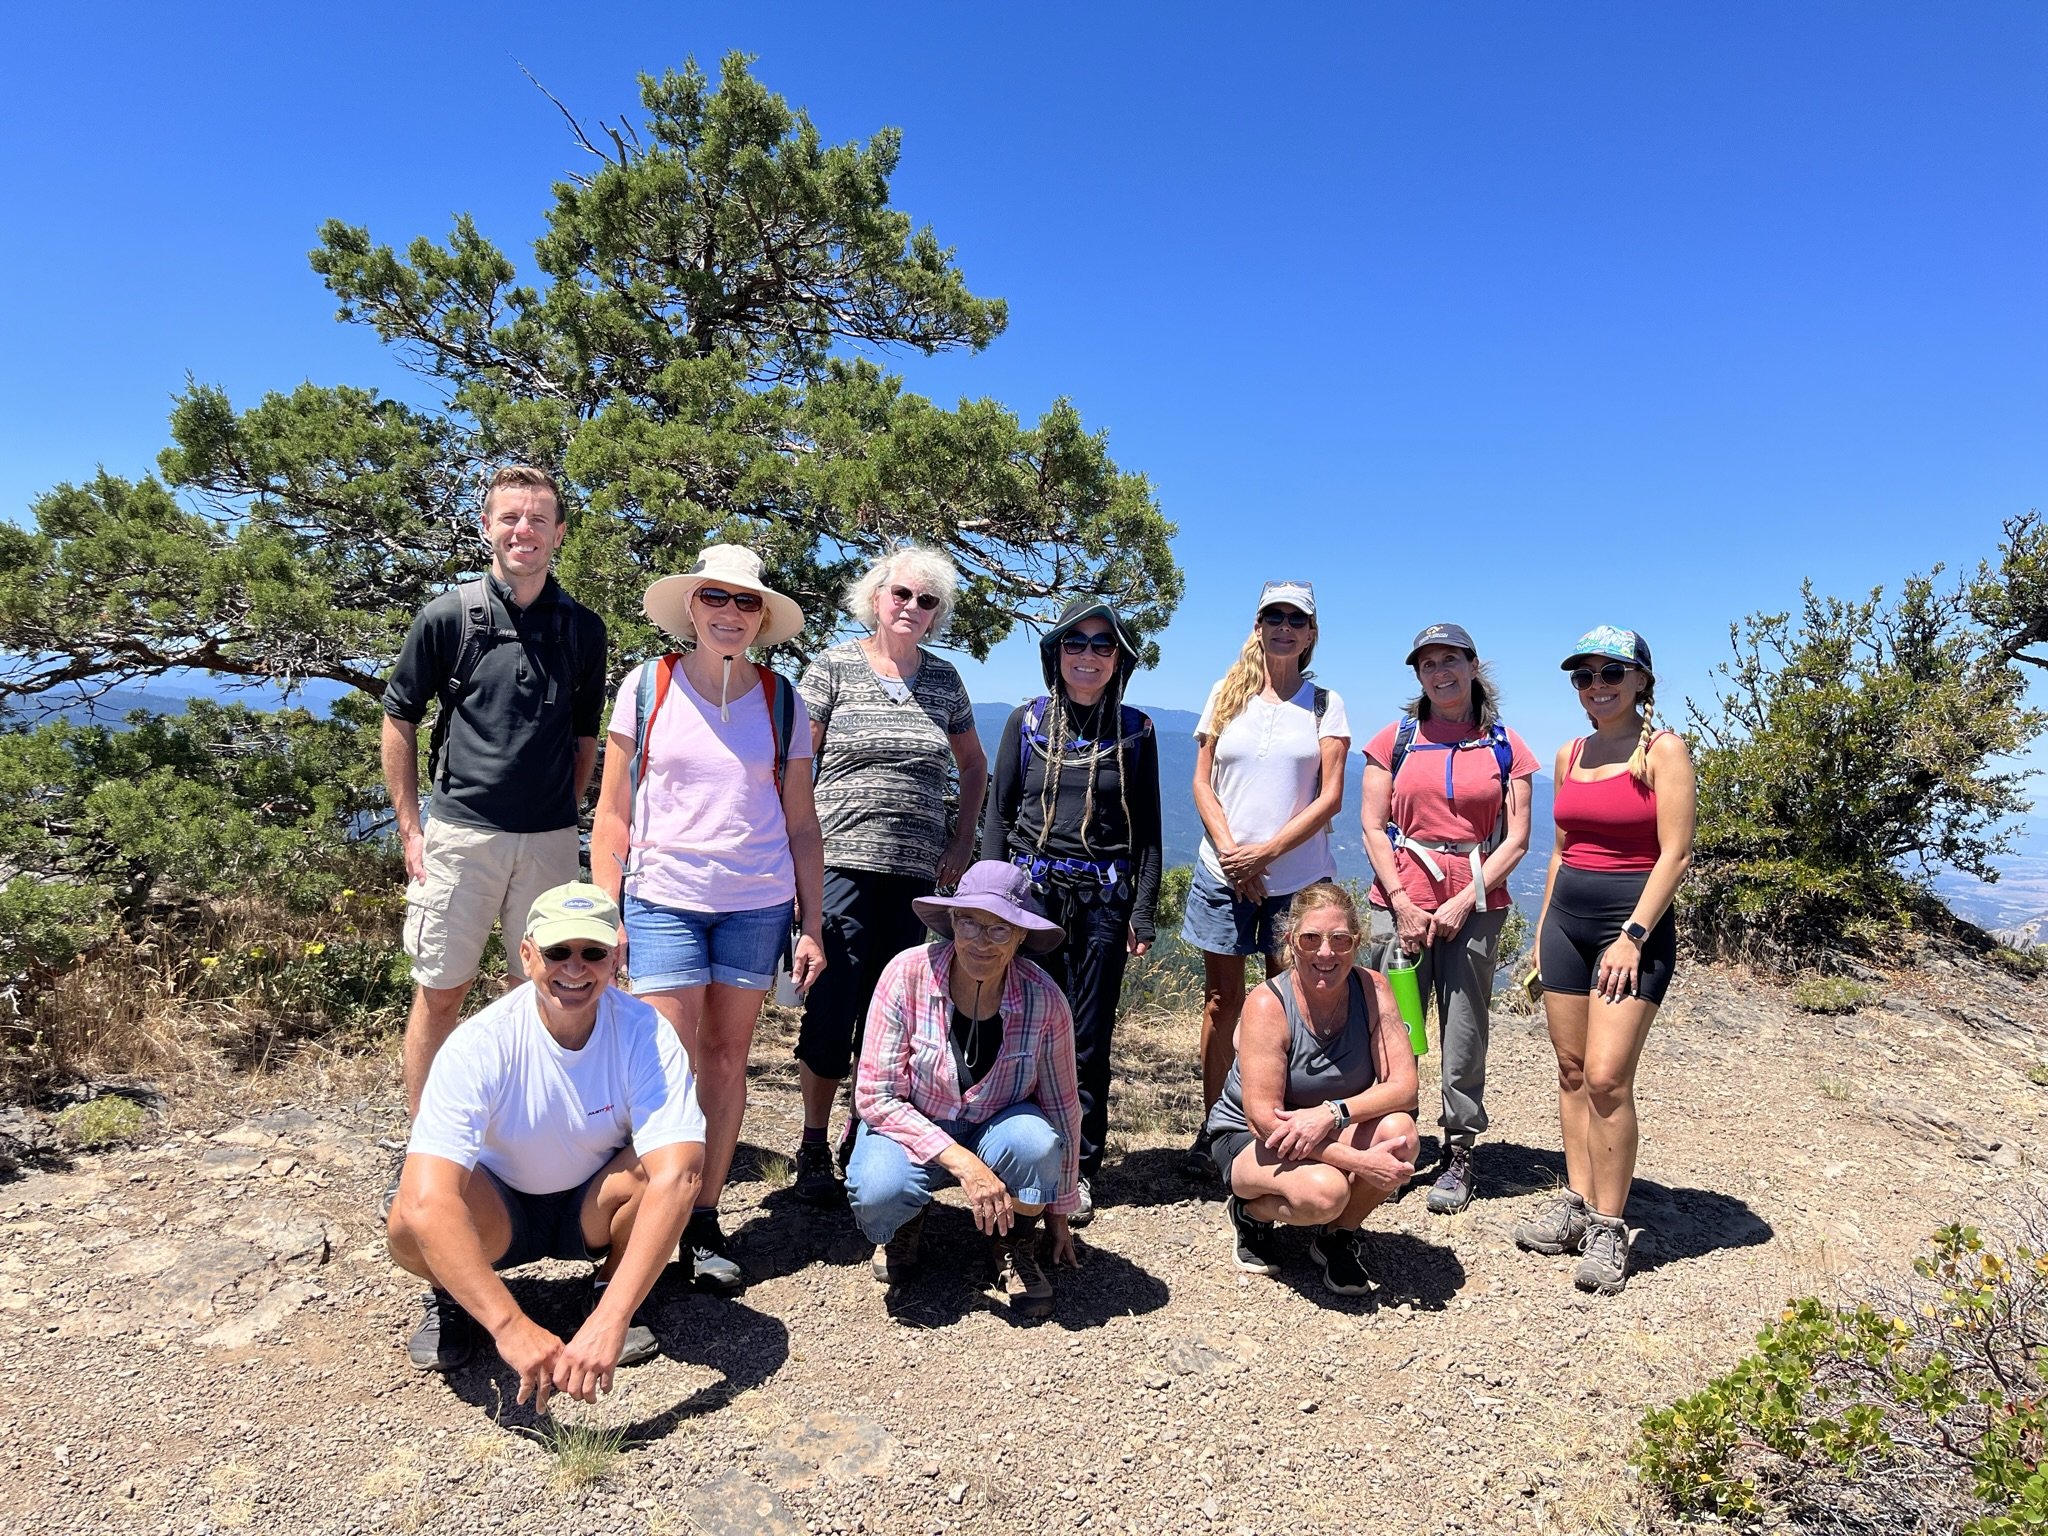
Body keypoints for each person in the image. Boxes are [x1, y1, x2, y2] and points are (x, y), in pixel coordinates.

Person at [589, 544, 827, 1295]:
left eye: (746, 602)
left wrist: (809, 922)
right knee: (666, 1065)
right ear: (691, 607)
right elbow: (611, 812)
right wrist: (608, 908)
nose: (730, 613)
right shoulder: (645, 685)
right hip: (662, 899)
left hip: (755, 904)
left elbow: (801, 826)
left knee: (725, 1062)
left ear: (762, 618)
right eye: (716, 598)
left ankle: (703, 1218)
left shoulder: (782, 700)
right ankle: (647, 1218)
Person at [386, 883, 705, 1408]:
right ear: (528, 954)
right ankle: (454, 1294)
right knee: (408, 1218)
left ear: (614, 959)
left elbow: (682, 1176)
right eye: (558, 952)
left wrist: (612, 1320)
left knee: (665, 1165)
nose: (574, 969)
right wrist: (511, 1327)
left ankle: (610, 1290)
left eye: (592, 953)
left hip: (589, 1206)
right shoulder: (480, 1044)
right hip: (499, 1213)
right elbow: (427, 1199)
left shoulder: (647, 1032)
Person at [381, 465, 608, 1116]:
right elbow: (398, 717)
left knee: (533, 991)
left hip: (548, 842)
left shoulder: (582, 631)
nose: (523, 530)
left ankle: (514, 1141)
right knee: (441, 991)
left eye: (538, 519)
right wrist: (410, 827)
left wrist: (562, 813)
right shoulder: (449, 617)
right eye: (509, 517)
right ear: (487, 528)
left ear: (559, 533)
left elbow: (584, 736)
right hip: (460, 835)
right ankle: (429, 1145)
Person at [792, 548, 986, 1205]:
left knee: (892, 1016)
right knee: (830, 1007)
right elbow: (796, 760)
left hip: (918, 880)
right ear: (876, 597)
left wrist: (962, 842)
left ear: (937, 615)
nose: (912, 607)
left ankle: (864, 1133)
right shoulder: (835, 666)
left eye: (927, 601)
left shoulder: (945, 681)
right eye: (901, 593)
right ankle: (813, 1143)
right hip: (840, 866)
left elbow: (974, 766)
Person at [1516, 627, 1695, 1295]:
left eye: (1611, 673)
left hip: (1631, 931)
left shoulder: (1662, 751)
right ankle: (1576, 1203)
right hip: (1567, 923)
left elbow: (1675, 854)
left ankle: (1609, 1229)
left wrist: (1634, 935)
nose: (1597, 686)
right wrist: (1542, 931)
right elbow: (1561, 850)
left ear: (1642, 679)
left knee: (1607, 1079)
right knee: (1569, 1071)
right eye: (1584, 676)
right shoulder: (1571, 753)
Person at [981, 598, 1162, 1225]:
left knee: (1088, 1038)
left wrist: (1144, 911)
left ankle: (1079, 1167)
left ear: (1119, 660)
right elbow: (998, 815)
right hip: (1032, 901)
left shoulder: (1136, 732)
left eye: (1102, 645)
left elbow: (1149, 832)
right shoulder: (1025, 724)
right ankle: (1018, 1155)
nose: (1088, 656)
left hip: (1104, 904)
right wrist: (989, 898)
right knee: (1022, 1026)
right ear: (1055, 654)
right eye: (1075, 643)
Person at [846, 862, 1083, 1320]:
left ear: (1020, 938)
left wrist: (1059, 1209)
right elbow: (875, 1096)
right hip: (914, 1123)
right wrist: (963, 1162)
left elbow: (1062, 1107)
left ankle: (1011, 1242)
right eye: (970, 921)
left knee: (1038, 1143)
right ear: (952, 921)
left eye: (1000, 930)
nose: (981, 940)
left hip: (1000, 1126)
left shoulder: (1045, 999)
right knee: (879, 1189)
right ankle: (903, 1225)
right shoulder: (906, 974)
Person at [1359, 623, 1537, 1214]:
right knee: (1396, 1028)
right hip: (1399, 898)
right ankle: (1398, 1142)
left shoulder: (1507, 745)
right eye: (1428, 663)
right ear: (1417, 674)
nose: (1440, 671)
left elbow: (1516, 840)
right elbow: (1372, 827)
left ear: (1472, 665)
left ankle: (1460, 1151)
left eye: (1450, 660)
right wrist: (1403, 903)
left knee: (1463, 1032)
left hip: (1477, 901)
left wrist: (1467, 898)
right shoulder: (1395, 740)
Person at [1182, 580, 1350, 1173]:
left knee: (1297, 1005)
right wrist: (1234, 855)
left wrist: (1264, 857)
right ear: (1258, 627)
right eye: (1272, 617)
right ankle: (1215, 1132)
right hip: (1223, 873)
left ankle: (1289, 1128)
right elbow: (1202, 782)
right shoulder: (1226, 695)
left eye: (1295, 619)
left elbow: (1329, 799)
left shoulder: (1326, 705)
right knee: (1219, 1002)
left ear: (1311, 634)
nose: (1283, 627)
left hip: (1297, 885)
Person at [1203, 882, 1419, 1294]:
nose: (1325, 952)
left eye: (1339, 939)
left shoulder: (1374, 990)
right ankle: (1252, 1213)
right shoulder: (1268, 1004)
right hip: (1249, 1137)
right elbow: (1264, 1121)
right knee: (1326, 1192)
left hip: (1324, 1126)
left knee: (1400, 1135)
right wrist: (1360, 1165)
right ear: (1290, 943)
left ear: (1355, 942)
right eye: (1311, 939)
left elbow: (1405, 1088)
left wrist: (1331, 1113)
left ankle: (1336, 1236)